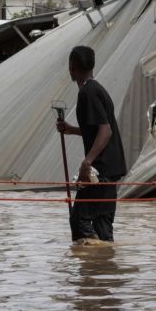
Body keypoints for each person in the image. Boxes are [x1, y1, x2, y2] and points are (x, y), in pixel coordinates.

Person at [56, 46, 127, 243]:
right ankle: (103, 267)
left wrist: (87, 162)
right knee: (103, 227)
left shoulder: (87, 92)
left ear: (72, 68)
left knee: (79, 220)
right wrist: (72, 129)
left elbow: (106, 131)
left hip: (99, 172)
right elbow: (97, 130)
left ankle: (92, 264)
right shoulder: (98, 89)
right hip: (110, 171)